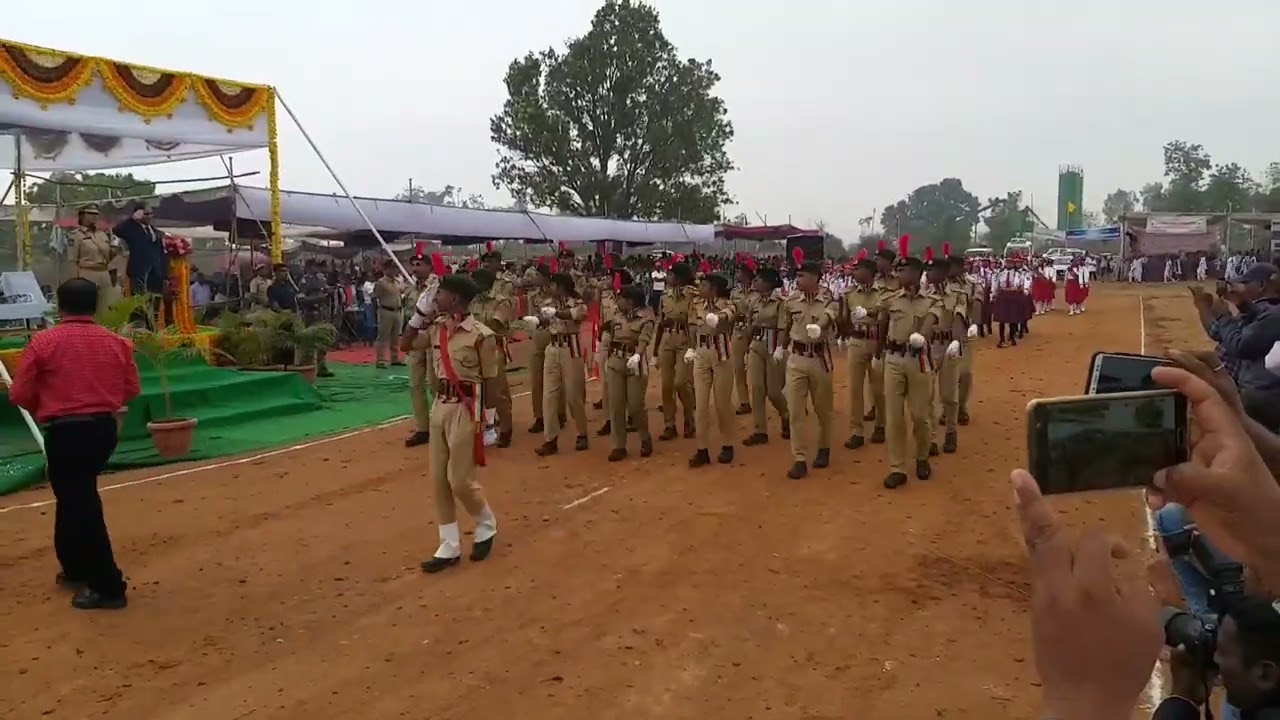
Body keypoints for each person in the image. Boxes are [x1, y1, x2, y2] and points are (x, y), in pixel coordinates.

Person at [8, 279, 140, 609]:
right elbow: (131, 389)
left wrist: (46, 409)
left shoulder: (43, 342)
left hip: (66, 431)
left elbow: (19, 394)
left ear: (60, 306)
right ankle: (75, 567)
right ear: (94, 306)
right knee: (73, 497)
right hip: (103, 430)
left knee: (80, 504)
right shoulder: (117, 343)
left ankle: (108, 585)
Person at [402, 273, 499, 574]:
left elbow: (491, 381)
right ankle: (449, 543)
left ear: (455, 299)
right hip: (439, 408)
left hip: (467, 409)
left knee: (459, 480)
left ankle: (486, 523)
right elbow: (405, 345)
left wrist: (490, 421)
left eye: (440, 293)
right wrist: (418, 315)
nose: (436, 297)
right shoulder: (436, 330)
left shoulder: (482, 335)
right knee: (439, 480)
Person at [876, 255, 941, 489]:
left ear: (915, 273)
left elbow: (932, 322)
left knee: (920, 415)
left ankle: (922, 458)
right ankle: (897, 467)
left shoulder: (933, 300)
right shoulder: (891, 299)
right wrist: (878, 354)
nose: (898, 275)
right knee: (894, 416)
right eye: (897, 270)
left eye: (903, 271)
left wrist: (921, 336)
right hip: (893, 358)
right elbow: (882, 324)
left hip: (918, 360)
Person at [780, 261, 837, 479]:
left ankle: (823, 448)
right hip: (796, 357)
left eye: (802, 275)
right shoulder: (792, 300)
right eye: (797, 275)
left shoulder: (829, 297)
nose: (798, 279)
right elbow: (787, 325)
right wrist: (781, 348)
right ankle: (799, 458)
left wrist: (819, 327)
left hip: (819, 357)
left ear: (815, 277)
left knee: (822, 409)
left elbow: (829, 316)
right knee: (795, 410)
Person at [529, 272, 590, 455]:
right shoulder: (549, 303)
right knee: (549, 396)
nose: (550, 288)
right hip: (553, 346)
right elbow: (545, 319)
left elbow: (573, 315)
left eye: (554, 285)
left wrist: (556, 313)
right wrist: (537, 321)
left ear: (562, 286)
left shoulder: (577, 303)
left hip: (571, 348)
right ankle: (550, 439)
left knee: (573, 396)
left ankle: (582, 433)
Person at [686, 272, 737, 467]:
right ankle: (702, 449)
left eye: (704, 285)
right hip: (701, 352)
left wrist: (718, 317)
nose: (700, 288)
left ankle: (727, 444)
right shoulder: (697, 304)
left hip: (721, 352)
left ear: (714, 288)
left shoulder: (726, 303)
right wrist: (691, 347)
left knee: (722, 403)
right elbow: (691, 326)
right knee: (700, 405)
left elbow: (729, 314)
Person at [602, 283, 655, 461]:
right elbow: (608, 336)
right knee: (616, 406)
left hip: (635, 363)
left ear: (630, 301)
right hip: (615, 362)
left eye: (622, 298)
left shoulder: (646, 318)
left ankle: (645, 437)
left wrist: (638, 356)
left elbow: (644, 340)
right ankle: (618, 445)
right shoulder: (615, 315)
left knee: (635, 406)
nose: (618, 301)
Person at [924, 251, 970, 454]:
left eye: (932, 269)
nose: (929, 273)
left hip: (948, 347)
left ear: (943, 272)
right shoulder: (923, 295)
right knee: (926, 394)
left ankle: (951, 432)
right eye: (927, 269)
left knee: (948, 394)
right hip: (929, 347)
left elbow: (960, 320)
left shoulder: (958, 294)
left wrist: (957, 343)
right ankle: (930, 437)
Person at [840, 254, 885, 449]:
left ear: (870, 272)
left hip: (876, 340)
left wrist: (869, 313)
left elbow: (885, 317)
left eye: (858, 269)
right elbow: (845, 319)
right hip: (857, 341)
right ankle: (856, 430)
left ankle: (881, 425)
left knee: (878, 388)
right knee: (855, 389)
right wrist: (843, 334)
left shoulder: (883, 292)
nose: (854, 272)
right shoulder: (849, 293)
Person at [743, 266, 790, 446]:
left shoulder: (780, 302)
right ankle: (759, 430)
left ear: (769, 282)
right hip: (756, 344)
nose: (755, 282)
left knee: (773, 392)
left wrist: (780, 347)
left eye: (759, 279)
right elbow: (749, 325)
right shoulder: (754, 302)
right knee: (756, 388)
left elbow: (782, 327)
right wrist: (748, 346)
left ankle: (786, 414)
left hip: (773, 346)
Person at [469, 269, 515, 447]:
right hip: (474, 349)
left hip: (493, 349)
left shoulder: (501, 302)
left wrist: (472, 327)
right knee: (478, 392)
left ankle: (506, 427)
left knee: (497, 392)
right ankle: (484, 428)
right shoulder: (473, 301)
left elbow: (495, 324)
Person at [402, 254, 441, 447]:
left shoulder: (437, 286)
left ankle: (439, 425)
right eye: (413, 265)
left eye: (419, 265)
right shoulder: (410, 287)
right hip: (416, 340)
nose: (415, 268)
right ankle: (422, 429)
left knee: (435, 384)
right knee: (415, 384)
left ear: (429, 266)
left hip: (433, 337)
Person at [655, 262, 697, 440]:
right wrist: (655, 350)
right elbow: (661, 322)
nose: (668, 277)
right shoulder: (665, 296)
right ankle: (669, 424)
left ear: (679, 277)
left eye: (671, 274)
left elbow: (693, 323)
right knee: (666, 385)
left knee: (681, 382)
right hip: (667, 338)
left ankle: (689, 417)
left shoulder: (692, 296)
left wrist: (694, 347)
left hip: (684, 339)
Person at [64, 203, 120, 312]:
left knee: (106, 307)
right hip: (86, 273)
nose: (95, 216)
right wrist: (76, 281)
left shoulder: (102, 234)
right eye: (91, 213)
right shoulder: (76, 235)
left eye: (96, 214)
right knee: (88, 308)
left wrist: (114, 250)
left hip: (104, 273)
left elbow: (108, 256)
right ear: (82, 216)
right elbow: (72, 261)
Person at [112, 202, 166, 297]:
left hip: (155, 272)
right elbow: (116, 230)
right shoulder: (131, 228)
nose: (149, 216)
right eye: (146, 214)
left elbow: (160, 252)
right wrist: (132, 219)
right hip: (139, 271)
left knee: (155, 301)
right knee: (139, 301)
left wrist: (164, 273)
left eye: (151, 213)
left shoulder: (154, 230)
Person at [297, 260, 334, 378]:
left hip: (322, 312)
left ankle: (322, 365)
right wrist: (318, 298)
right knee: (309, 341)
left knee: (323, 340)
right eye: (314, 266)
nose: (317, 269)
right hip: (310, 313)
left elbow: (326, 291)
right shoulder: (304, 281)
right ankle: (307, 366)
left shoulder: (321, 279)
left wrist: (329, 292)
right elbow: (301, 299)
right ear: (308, 267)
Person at [730, 264, 757, 416]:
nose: (737, 274)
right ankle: (744, 401)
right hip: (739, 330)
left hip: (755, 331)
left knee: (758, 369)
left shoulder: (758, 292)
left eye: (739, 271)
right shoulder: (735, 293)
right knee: (738, 367)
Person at [371, 263, 405, 369]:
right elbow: (374, 297)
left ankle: (394, 358)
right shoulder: (381, 283)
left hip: (397, 310)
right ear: (386, 269)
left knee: (396, 336)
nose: (395, 271)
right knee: (383, 336)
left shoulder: (398, 281)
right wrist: (376, 311)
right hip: (385, 310)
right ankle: (380, 360)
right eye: (392, 268)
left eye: (395, 268)